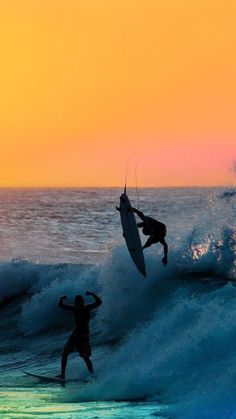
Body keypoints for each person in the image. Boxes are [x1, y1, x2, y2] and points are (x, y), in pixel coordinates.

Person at [57, 291, 102, 379]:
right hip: (85, 333)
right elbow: (99, 302)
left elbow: (61, 305)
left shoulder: (75, 308)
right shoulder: (87, 307)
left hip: (77, 334)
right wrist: (92, 294)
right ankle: (92, 374)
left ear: (76, 302)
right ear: (83, 301)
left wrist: (61, 298)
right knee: (85, 357)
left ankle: (63, 374)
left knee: (65, 353)